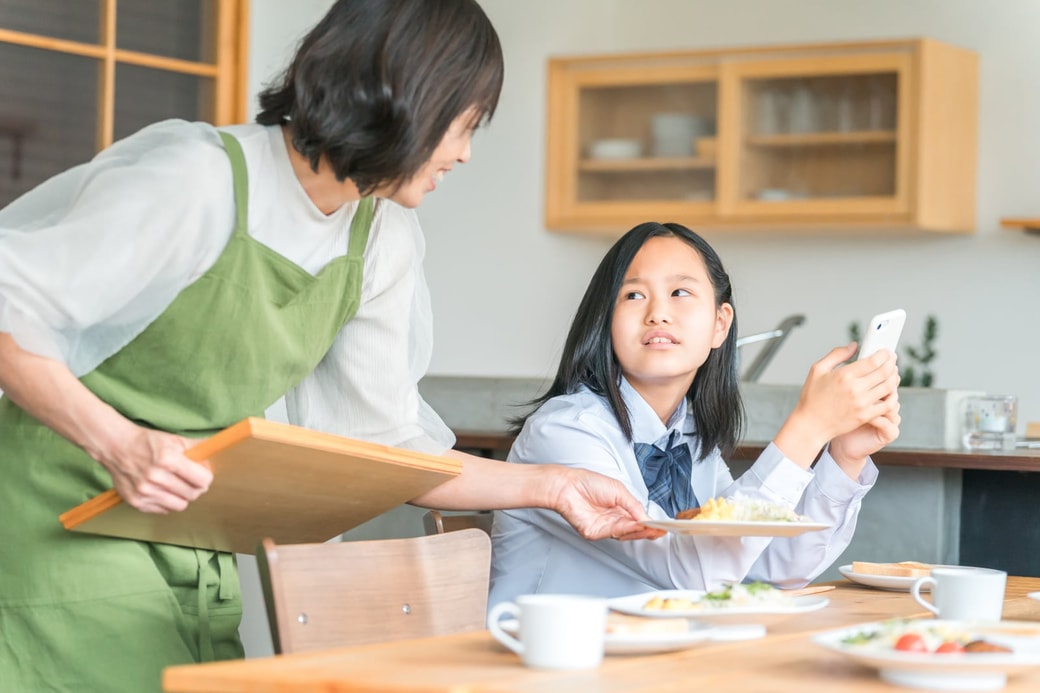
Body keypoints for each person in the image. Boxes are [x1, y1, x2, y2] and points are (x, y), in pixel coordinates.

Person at [0, 1, 656, 690]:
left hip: (184, 534)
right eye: (463, 125)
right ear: (406, 94)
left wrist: (552, 486)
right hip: (58, 514)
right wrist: (118, 442)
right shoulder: (199, 182)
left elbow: (387, 447)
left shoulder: (380, 237)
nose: (464, 153)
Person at [489, 221, 902, 607]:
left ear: (720, 324)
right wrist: (807, 429)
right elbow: (694, 574)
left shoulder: (687, 435)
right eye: (633, 295)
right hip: (545, 657)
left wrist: (844, 457)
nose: (657, 312)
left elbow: (770, 569)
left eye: (680, 292)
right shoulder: (564, 432)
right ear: (605, 321)